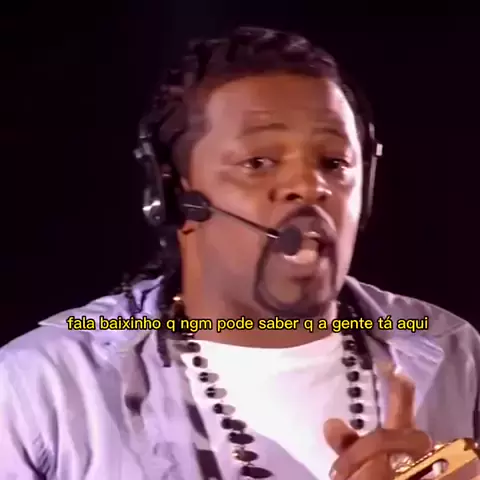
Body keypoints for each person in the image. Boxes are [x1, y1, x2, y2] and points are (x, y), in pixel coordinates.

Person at [1, 26, 479, 480]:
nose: (309, 186)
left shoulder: (458, 356)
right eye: (259, 162)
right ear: (174, 197)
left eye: (334, 162)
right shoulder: (41, 388)